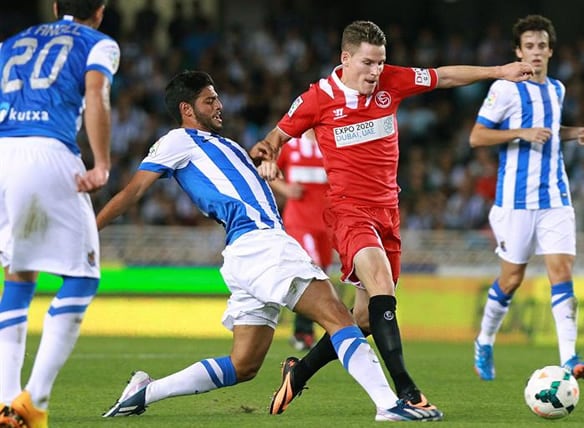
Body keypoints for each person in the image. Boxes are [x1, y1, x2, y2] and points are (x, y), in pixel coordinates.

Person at [98, 70, 443, 422]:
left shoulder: (228, 145)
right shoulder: (177, 141)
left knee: (243, 364)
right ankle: (389, 403)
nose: (219, 105)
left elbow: (246, 182)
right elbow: (134, 191)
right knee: (340, 318)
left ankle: (146, 391)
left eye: (217, 97)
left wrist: (268, 166)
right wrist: (92, 229)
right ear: (187, 109)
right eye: (209, 100)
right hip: (260, 245)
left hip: (247, 253)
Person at [257, 20, 534, 416]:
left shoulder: (392, 81)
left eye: (380, 63)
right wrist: (268, 159)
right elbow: (273, 139)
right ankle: (407, 392)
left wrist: (498, 72)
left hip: (388, 211)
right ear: (346, 58)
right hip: (349, 211)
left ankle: (297, 374)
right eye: (368, 63)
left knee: (364, 321)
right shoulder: (318, 98)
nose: (375, 72)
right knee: (382, 282)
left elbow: (443, 77)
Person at [0, 1, 120, 427]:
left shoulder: (13, 42)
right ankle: (34, 404)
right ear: (100, 11)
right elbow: (95, 92)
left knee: (19, 273)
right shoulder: (98, 43)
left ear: (55, 6)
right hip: (45, 151)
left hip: (4, 151)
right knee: (83, 275)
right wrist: (101, 163)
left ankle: (5, 400)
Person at [469, 14, 584, 381]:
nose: (536, 52)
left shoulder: (557, 89)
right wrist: (521, 133)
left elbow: (550, 131)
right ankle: (485, 340)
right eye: (529, 47)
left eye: (542, 46)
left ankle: (570, 358)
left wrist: (574, 134)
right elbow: (477, 136)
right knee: (511, 279)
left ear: (550, 51)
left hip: (555, 196)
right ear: (518, 51)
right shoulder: (505, 89)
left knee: (561, 270)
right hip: (515, 201)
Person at [269, 129, 332, 351]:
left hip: (328, 222)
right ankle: (304, 332)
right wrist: (285, 189)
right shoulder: (291, 146)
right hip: (300, 221)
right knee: (311, 268)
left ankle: (302, 330)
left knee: (320, 271)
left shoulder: (331, 143)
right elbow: (266, 168)